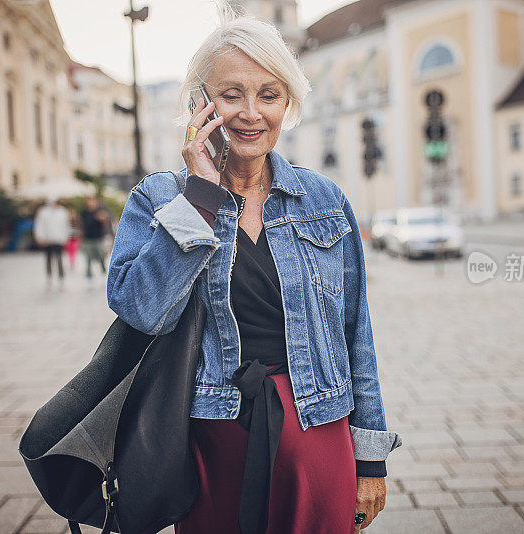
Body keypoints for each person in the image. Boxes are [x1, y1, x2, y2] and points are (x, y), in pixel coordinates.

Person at [106, 7, 401, 534]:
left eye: (269, 94)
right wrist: (199, 198)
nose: (250, 113)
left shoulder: (324, 201)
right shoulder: (159, 198)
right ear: (201, 104)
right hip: (210, 438)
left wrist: (372, 458)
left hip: (318, 433)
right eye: (230, 94)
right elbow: (140, 309)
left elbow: (358, 333)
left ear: (287, 103)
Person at [33, 195, 70, 283]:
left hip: (59, 239)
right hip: (48, 239)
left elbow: (66, 225)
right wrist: (40, 237)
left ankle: (61, 275)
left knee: (59, 258)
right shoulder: (43, 212)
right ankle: (49, 275)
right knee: (49, 258)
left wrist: (66, 237)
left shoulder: (63, 212)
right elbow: (40, 225)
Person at [80, 195, 109, 279]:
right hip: (87, 238)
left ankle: (103, 271)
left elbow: (106, 222)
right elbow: (81, 224)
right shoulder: (84, 212)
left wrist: (102, 219)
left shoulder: (100, 211)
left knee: (101, 256)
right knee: (88, 258)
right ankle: (88, 274)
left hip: (98, 238)